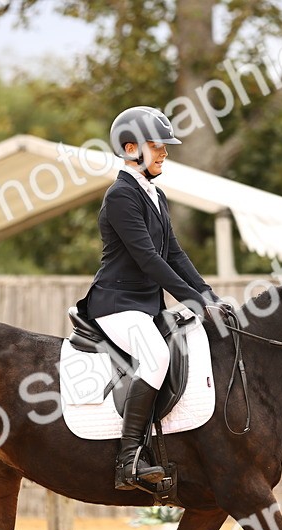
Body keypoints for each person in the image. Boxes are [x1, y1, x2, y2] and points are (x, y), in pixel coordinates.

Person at [80, 106, 225, 490]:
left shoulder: (155, 194)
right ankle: (128, 460)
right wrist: (193, 301)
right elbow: (148, 259)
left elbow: (174, 253)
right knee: (156, 355)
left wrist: (208, 295)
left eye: (164, 145)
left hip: (146, 307)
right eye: (156, 145)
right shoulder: (121, 195)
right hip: (116, 305)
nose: (164, 152)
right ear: (131, 149)